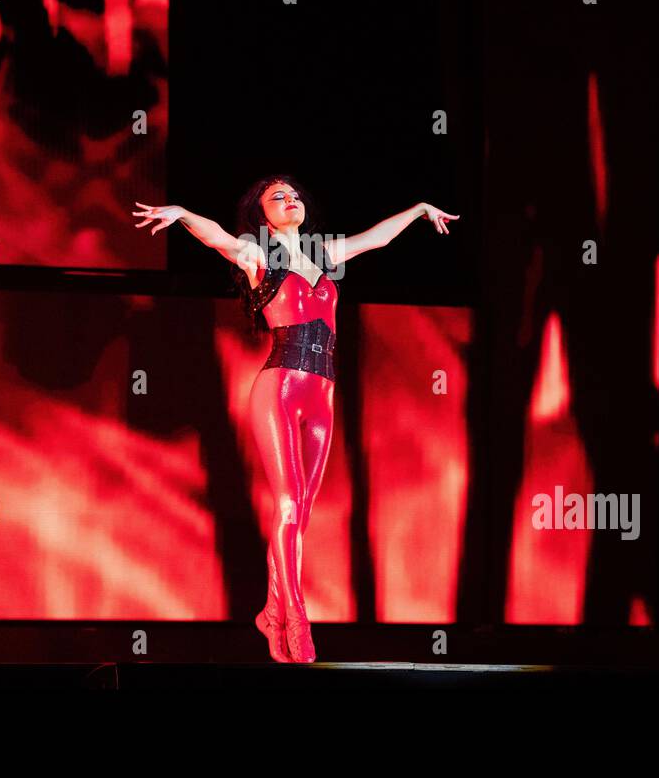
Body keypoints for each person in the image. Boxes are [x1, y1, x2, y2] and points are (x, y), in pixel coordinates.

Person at [132, 176, 459, 662]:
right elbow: (217, 237)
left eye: (295, 194)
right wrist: (181, 213)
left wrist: (418, 208)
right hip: (280, 387)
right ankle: (295, 617)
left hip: (323, 398)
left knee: (299, 514)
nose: (291, 200)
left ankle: (269, 612)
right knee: (287, 505)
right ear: (263, 217)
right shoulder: (256, 253)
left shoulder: (326, 253)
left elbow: (376, 238)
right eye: (277, 197)